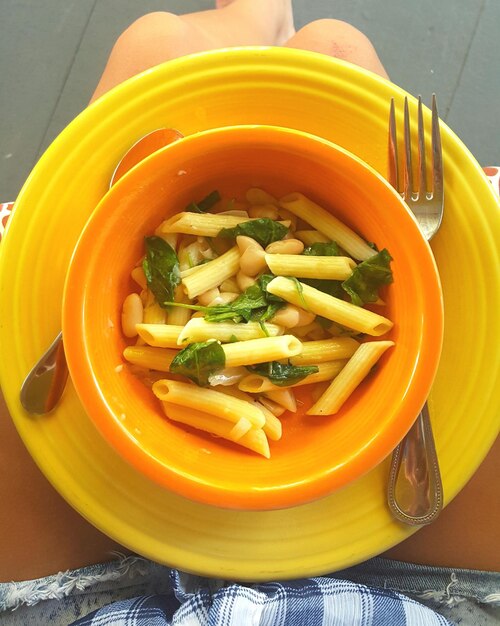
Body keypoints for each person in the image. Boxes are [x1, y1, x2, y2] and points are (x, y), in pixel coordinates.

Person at [0, 1, 498, 624]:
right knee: (335, 45)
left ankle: (255, 20)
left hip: (82, 602)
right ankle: (271, 23)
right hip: (433, 595)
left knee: (155, 40)